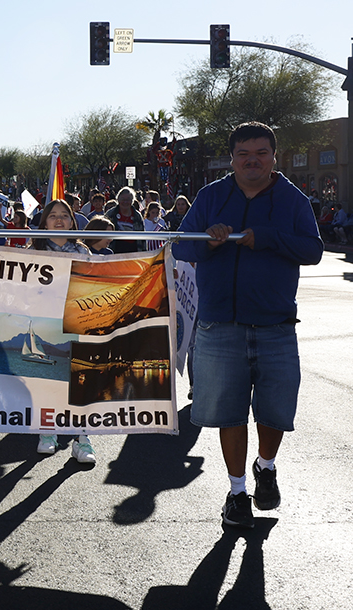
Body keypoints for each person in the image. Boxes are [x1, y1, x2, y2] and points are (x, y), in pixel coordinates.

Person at [173, 122, 322, 529]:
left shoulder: (292, 200)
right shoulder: (211, 196)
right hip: (219, 326)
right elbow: (181, 245)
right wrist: (209, 240)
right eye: (243, 154)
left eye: (260, 153)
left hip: (275, 326)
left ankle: (266, 466)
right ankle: (238, 492)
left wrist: (268, 237)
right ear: (232, 158)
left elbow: (313, 250)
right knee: (229, 414)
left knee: (274, 413)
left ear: (275, 156)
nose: (252, 160)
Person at [31, 199, 96, 464]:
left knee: (79, 381)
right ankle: (47, 432)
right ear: (44, 222)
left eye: (64, 215)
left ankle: (82, 439)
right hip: (46, 325)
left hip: (77, 324)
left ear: (72, 222)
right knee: (48, 380)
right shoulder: (33, 252)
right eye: (53, 215)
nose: (59, 220)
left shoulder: (84, 253)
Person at [102, 187, 146, 253]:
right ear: (118, 200)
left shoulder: (137, 216)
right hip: (114, 250)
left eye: (128, 199)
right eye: (123, 199)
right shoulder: (110, 214)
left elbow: (142, 237)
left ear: (132, 201)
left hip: (134, 251)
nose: (125, 202)